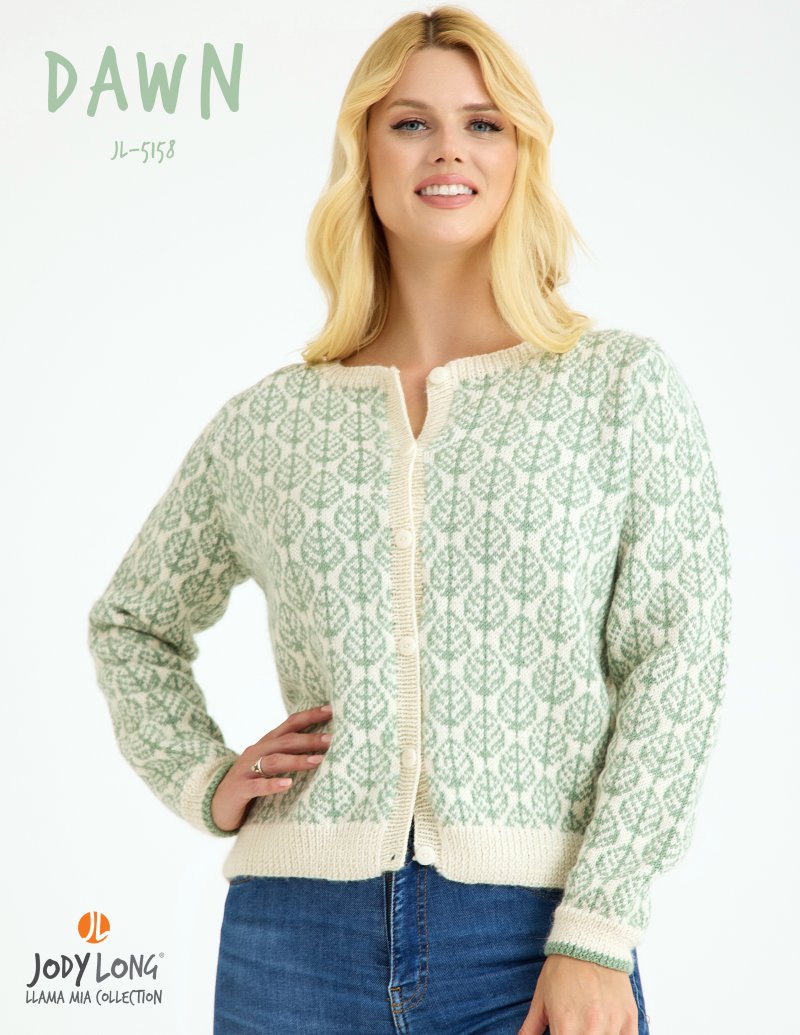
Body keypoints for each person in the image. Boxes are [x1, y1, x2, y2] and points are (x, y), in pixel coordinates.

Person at [87, 6, 731, 1034]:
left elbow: (676, 660)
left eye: (483, 123)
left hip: (533, 937)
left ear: (520, 152)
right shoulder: (271, 422)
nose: (448, 150)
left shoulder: (616, 389)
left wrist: (598, 928)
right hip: (292, 942)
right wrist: (205, 779)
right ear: (364, 150)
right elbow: (131, 623)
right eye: (410, 123)